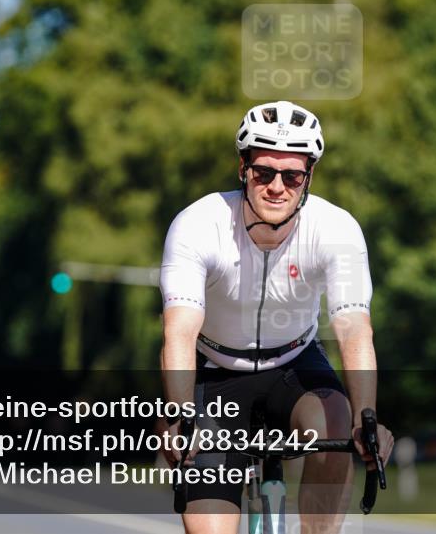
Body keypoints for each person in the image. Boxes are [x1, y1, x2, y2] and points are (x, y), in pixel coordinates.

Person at [159, 100, 394, 534]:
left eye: (292, 176)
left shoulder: (336, 229)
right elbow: (178, 331)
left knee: (338, 421)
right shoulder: (198, 224)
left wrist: (369, 417)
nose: (276, 187)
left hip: (296, 366)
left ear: (308, 178)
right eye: (263, 172)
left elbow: (354, 330)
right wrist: (179, 413)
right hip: (216, 371)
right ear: (242, 170)